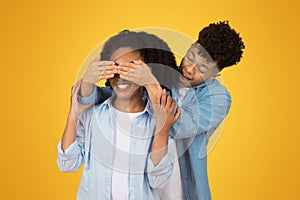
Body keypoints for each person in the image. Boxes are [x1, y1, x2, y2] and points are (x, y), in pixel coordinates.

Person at [79, 21, 245, 200]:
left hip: (178, 186)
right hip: (145, 182)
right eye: (190, 57)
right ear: (190, 47)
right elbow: (112, 97)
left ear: (215, 75)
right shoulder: (166, 70)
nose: (188, 69)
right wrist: (87, 85)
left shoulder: (217, 97)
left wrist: (150, 82)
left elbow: (175, 125)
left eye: (201, 69)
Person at [56, 30, 181, 200]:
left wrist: (162, 127)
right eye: (115, 67)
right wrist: (74, 112)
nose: (121, 76)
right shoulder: (93, 116)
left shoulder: (158, 121)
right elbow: (67, 163)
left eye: (130, 68)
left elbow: (158, 179)